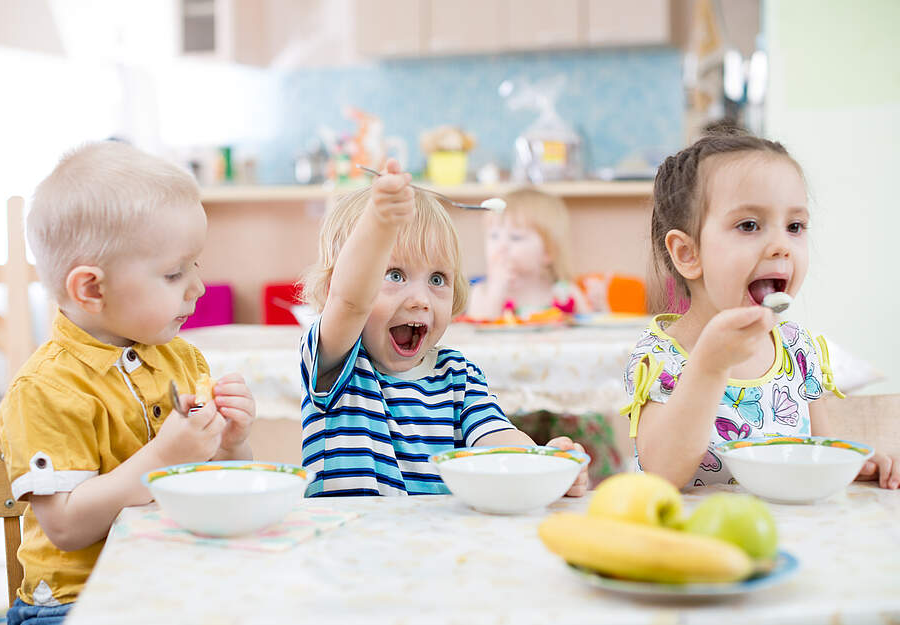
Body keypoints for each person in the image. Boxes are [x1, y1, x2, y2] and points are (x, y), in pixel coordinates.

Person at [0, 141, 257, 624]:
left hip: (174, 577)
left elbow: (209, 480)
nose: (198, 287)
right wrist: (162, 458)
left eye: (194, 265)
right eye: (175, 273)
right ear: (91, 289)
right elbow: (68, 528)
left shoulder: (181, 358)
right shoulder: (46, 390)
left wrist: (231, 446)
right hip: (80, 602)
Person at [621, 131, 900, 489]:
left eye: (794, 226)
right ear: (688, 254)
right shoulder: (660, 358)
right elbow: (662, 474)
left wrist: (851, 464)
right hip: (689, 537)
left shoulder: (798, 349)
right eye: (749, 225)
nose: (781, 245)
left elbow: (817, 452)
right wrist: (709, 365)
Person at [299, 160, 588, 497]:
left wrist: (545, 464)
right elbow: (350, 301)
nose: (421, 299)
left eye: (437, 279)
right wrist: (379, 224)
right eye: (394, 275)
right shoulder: (336, 361)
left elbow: (496, 438)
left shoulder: (458, 374)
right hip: (343, 545)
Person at [467, 187, 591, 319]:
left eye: (515, 237)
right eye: (494, 236)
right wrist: (496, 289)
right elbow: (481, 329)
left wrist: (600, 306)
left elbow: (591, 331)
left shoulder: (566, 293)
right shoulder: (482, 293)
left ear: (548, 252)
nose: (501, 246)